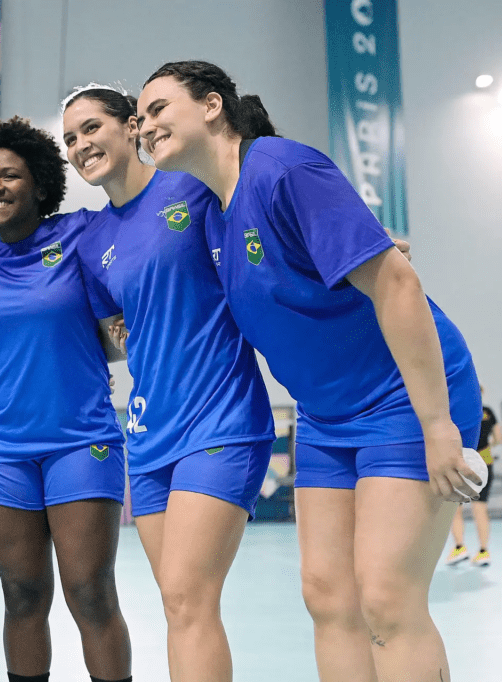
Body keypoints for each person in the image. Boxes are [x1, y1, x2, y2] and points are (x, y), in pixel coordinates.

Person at [137, 60, 482, 682]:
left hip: (403, 400)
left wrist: (438, 424)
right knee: (328, 597)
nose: (146, 126)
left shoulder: (282, 168)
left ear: (212, 105)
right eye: (140, 119)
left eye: (158, 108)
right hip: (327, 417)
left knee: (385, 597)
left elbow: (397, 284)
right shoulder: (215, 212)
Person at [60, 86, 275, 682]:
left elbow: (272, 225)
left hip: (220, 418)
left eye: (91, 127)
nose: (80, 145)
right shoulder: (93, 239)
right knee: (180, 607)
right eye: (70, 137)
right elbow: (120, 334)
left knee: (187, 598)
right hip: (150, 436)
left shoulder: (191, 186)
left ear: (133, 126)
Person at [0, 116, 132, 682]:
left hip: (80, 442)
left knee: (89, 593)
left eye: (10, 176)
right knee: (23, 595)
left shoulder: (81, 233)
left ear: (40, 186)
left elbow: (146, 221)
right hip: (2, 448)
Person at [446, 385, 499, 566]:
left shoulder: (457, 412)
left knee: (455, 508)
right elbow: (499, 437)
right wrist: (489, 445)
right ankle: (484, 551)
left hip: (463, 461)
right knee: (480, 507)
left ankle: (460, 547)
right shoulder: (488, 412)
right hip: (484, 461)